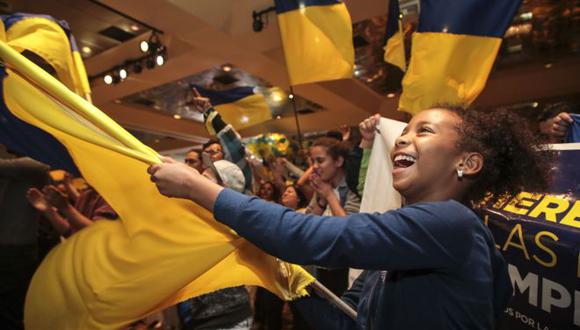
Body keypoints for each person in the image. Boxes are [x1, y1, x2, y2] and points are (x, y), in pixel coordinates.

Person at [148, 106, 553, 329]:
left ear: (467, 162)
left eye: (424, 131)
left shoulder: (452, 224)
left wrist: (196, 187)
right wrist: (289, 282)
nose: (404, 138)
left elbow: (314, 235)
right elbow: (348, 321)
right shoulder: (401, 254)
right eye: (405, 131)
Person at [176, 159, 253, 330]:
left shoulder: (230, 224)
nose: (198, 179)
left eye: (205, 178)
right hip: (200, 319)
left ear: (222, 187)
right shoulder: (196, 216)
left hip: (229, 319)